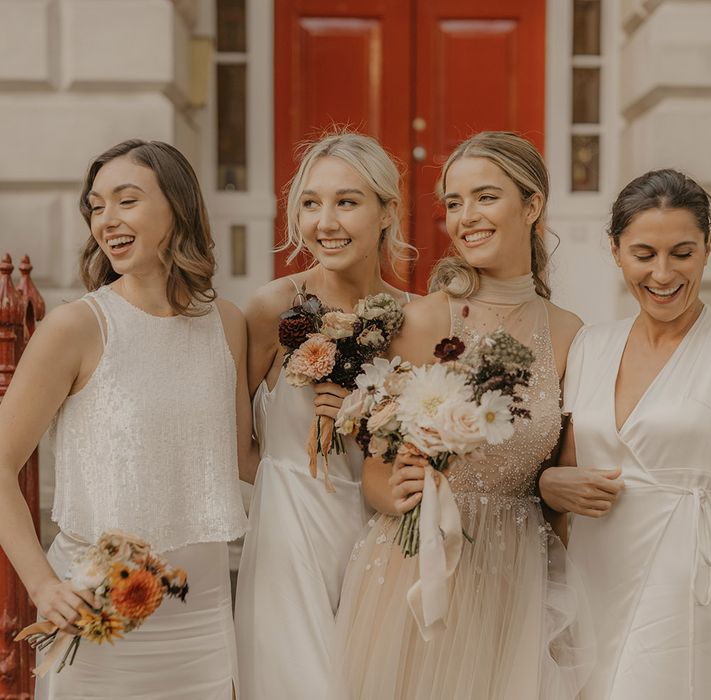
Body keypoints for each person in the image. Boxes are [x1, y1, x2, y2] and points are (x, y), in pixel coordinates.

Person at [329, 131, 594, 699]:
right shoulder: (424, 322)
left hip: (517, 571)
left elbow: (560, 478)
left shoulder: (570, 333)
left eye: (485, 197)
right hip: (420, 566)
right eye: (453, 203)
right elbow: (374, 470)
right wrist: (391, 488)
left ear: (533, 205)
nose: (465, 216)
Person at [0, 139, 249, 698]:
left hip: (203, 613)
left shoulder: (227, 325)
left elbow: (246, 457)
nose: (106, 219)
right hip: (97, 614)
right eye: (96, 206)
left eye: (126, 200)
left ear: (178, 208)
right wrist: (43, 586)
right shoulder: (76, 328)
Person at [539, 168, 711, 699]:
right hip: (593, 571)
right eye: (644, 254)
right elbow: (562, 467)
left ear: (708, 249)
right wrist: (550, 483)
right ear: (616, 250)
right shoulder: (590, 345)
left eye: (682, 253)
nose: (663, 273)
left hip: (680, 572)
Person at [234, 131, 414, 700]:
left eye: (347, 201)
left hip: (384, 539)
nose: (325, 221)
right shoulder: (270, 309)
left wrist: (370, 421)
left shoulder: (418, 320)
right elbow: (238, 446)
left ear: (387, 211)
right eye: (311, 203)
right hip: (291, 537)